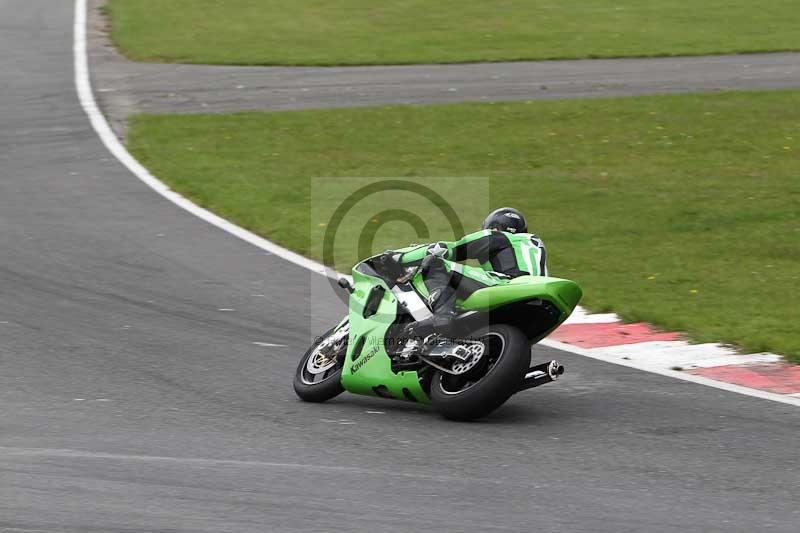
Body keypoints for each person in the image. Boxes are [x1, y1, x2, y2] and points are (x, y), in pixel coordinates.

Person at [396, 207, 548, 341]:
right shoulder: (534, 245)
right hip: (538, 303)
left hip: (508, 283)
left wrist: (400, 258)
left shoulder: (498, 237)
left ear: (495, 228)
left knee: (435, 263)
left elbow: (447, 249)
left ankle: (442, 317)